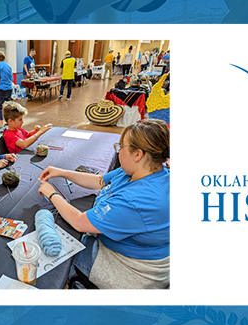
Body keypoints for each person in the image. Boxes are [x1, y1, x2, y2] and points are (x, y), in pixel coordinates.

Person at [38, 120, 170, 289]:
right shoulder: (143, 170)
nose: (118, 150)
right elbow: (100, 181)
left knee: (60, 262)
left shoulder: (137, 200)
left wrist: (52, 193)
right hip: (133, 247)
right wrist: (62, 172)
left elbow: (79, 222)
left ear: (137, 154)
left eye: (121, 146)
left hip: (130, 267)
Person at [0, 51, 14, 127]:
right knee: (8, 107)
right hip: (9, 89)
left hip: (0, 90)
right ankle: (9, 124)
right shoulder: (8, 66)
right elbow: (11, 78)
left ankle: (1, 126)